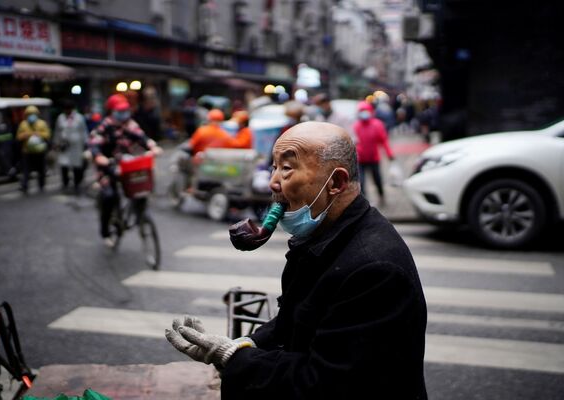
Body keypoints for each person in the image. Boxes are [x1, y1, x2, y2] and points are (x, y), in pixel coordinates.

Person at [165, 121, 428, 400]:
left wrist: (235, 359)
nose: (273, 182)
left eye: (287, 169)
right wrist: (246, 343)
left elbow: (322, 384)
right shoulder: (328, 234)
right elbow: (296, 320)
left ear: (336, 183)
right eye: (274, 167)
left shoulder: (374, 270)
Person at [89, 94, 160, 247]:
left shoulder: (130, 124)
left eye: (125, 110)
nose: (124, 114)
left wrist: (152, 146)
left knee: (141, 189)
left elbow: (142, 137)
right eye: (120, 111)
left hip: (129, 165)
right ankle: (106, 231)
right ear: (112, 111)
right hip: (109, 168)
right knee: (109, 196)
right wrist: (99, 156)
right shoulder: (105, 126)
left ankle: (141, 218)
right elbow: (94, 143)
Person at [352, 101, 394, 204]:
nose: (363, 113)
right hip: (360, 159)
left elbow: (384, 140)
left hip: (374, 158)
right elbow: (353, 141)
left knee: (377, 179)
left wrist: (389, 154)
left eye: (365, 111)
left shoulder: (377, 125)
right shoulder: (356, 126)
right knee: (361, 182)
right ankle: (364, 203)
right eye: (361, 111)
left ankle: (381, 196)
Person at [54, 99, 89, 194]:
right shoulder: (60, 118)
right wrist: (56, 143)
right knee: (64, 166)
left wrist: (86, 143)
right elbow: (57, 131)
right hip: (64, 145)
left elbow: (84, 131)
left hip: (77, 146)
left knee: (77, 166)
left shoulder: (79, 118)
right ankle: (65, 184)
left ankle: (77, 184)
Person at [16, 105, 51, 194]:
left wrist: (38, 134)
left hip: (40, 151)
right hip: (27, 151)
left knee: (41, 170)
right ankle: (24, 185)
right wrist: (26, 135)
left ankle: (41, 185)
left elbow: (47, 135)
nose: (31, 115)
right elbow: (18, 137)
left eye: (33, 114)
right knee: (26, 170)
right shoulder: (23, 124)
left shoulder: (42, 124)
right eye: (29, 114)